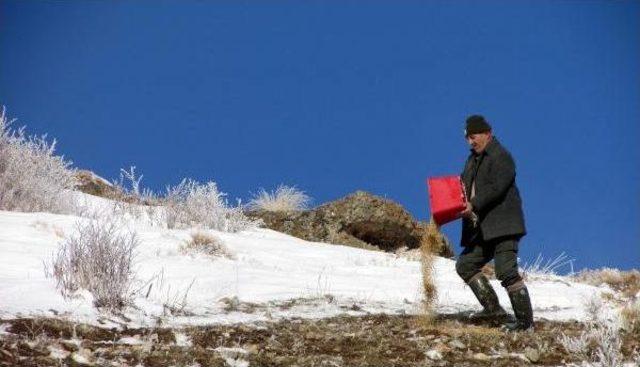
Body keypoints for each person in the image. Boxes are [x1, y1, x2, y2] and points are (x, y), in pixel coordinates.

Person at [456, 115, 533, 331]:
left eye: (474, 136)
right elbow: (461, 188)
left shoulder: (501, 156)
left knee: (507, 271)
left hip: (504, 225)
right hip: (482, 229)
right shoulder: (471, 161)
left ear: (487, 134)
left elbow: (497, 187)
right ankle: (493, 310)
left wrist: (473, 204)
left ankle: (525, 324)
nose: (471, 142)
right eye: (468, 138)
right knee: (465, 264)